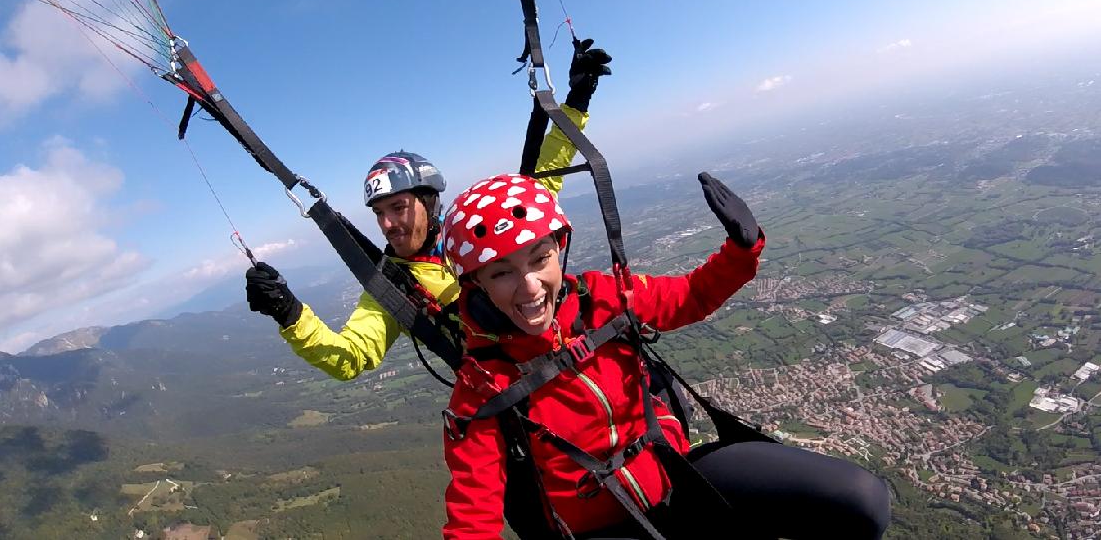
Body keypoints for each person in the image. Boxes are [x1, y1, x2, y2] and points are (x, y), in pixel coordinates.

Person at [440, 172, 891, 540]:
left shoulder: (602, 298)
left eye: (539, 259)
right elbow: (473, 512)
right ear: (476, 285)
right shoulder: (482, 385)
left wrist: (741, 249)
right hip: (606, 530)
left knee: (860, 501)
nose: (530, 287)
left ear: (560, 251)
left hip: (681, 479)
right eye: (502, 273)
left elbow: (690, 296)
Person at [243, 40, 613, 381]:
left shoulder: (472, 230)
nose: (388, 224)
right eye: (379, 214)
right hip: (519, 395)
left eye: (398, 208)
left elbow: (539, 182)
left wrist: (577, 101)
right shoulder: (391, 286)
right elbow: (350, 357)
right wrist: (289, 312)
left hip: (576, 349)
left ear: (429, 203)